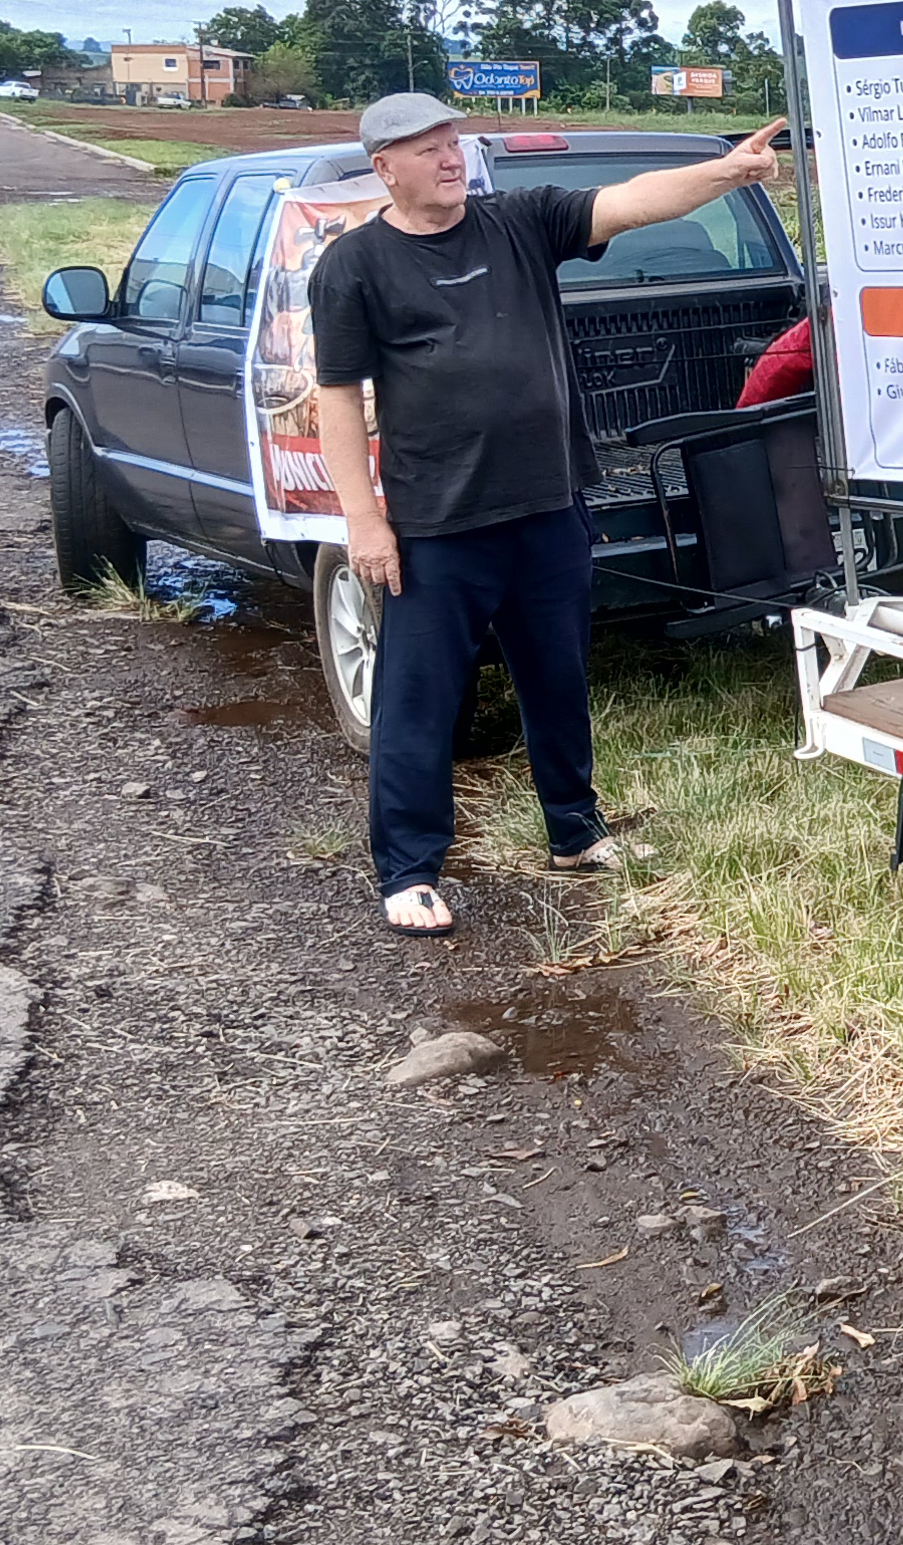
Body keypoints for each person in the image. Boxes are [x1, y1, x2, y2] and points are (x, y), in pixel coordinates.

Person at [310, 92, 788, 935]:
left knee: (557, 681)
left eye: (452, 142)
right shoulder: (355, 266)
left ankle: (574, 831)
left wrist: (726, 173)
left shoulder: (520, 222)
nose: (449, 158)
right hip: (438, 525)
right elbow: (338, 397)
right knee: (417, 701)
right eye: (426, 149)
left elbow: (631, 202)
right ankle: (409, 869)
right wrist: (364, 519)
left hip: (549, 507)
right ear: (385, 168)